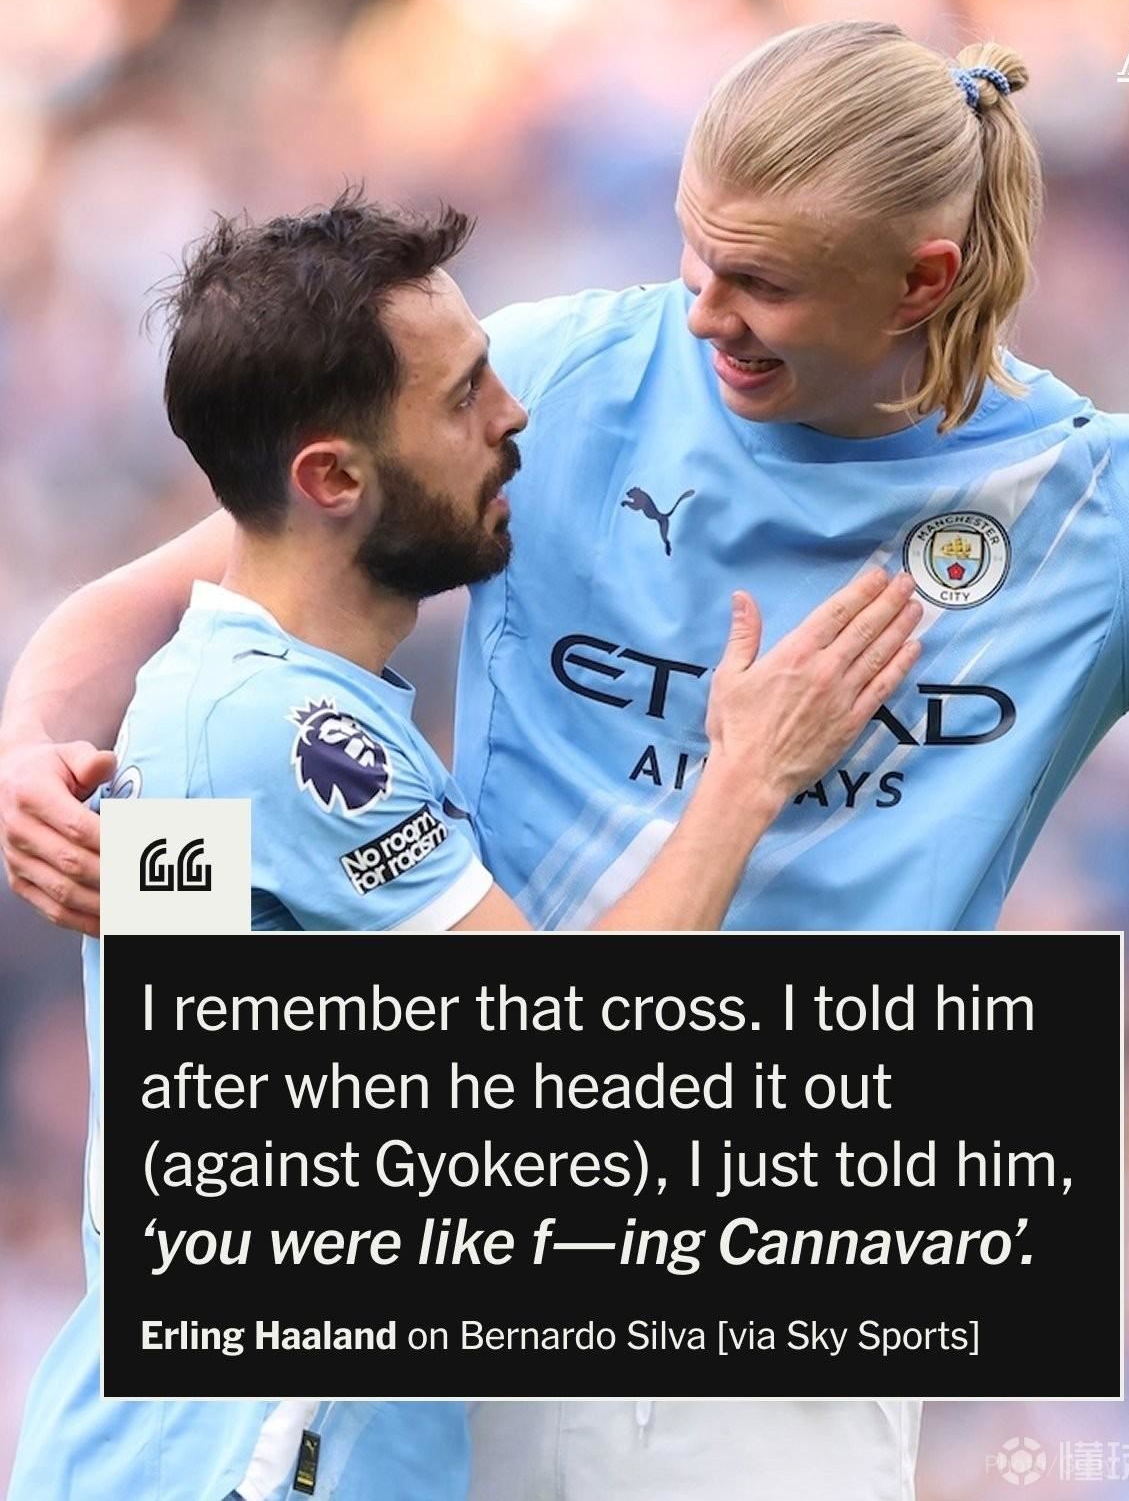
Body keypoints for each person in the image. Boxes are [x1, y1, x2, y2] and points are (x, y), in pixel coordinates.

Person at [7, 14, 1129, 1501]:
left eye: (762, 281)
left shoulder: (1107, 511)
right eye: (694, 251)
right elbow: (198, 597)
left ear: (923, 280)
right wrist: (27, 749)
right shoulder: (548, 393)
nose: (703, 312)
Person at [3, 190, 918, 1501]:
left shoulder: (226, 704)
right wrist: (751, 772)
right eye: (463, 397)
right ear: (332, 480)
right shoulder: (287, 731)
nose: (514, 415)